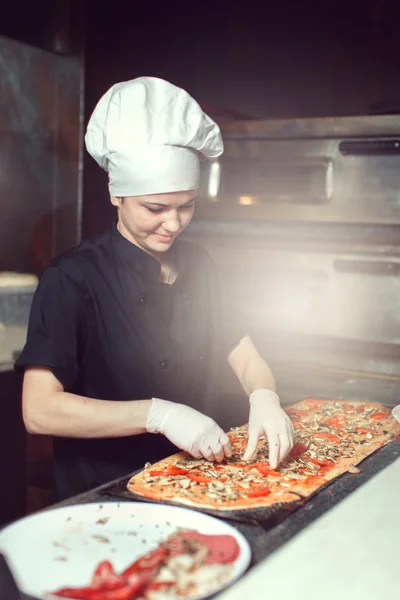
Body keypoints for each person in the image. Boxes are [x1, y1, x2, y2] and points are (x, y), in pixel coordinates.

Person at [15, 77, 294, 501]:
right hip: (104, 496)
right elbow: (39, 410)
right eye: (155, 208)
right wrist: (158, 415)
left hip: (197, 484)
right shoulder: (72, 278)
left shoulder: (200, 265)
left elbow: (245, 355)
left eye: (187, 205)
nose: (174, 223)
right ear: (117, 196)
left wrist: (265, 396)